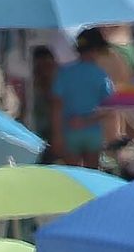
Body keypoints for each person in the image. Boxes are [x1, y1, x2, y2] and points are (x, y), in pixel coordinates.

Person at [50, 28, 117, 168]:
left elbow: (56, 106)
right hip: (93, 132)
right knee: (91, 174)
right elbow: (110, 108)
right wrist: (86, 121)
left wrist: (57, 135)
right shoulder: (101, 75)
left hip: (69, 131)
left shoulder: (64, 73)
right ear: (96, 50)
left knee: (72, 175)